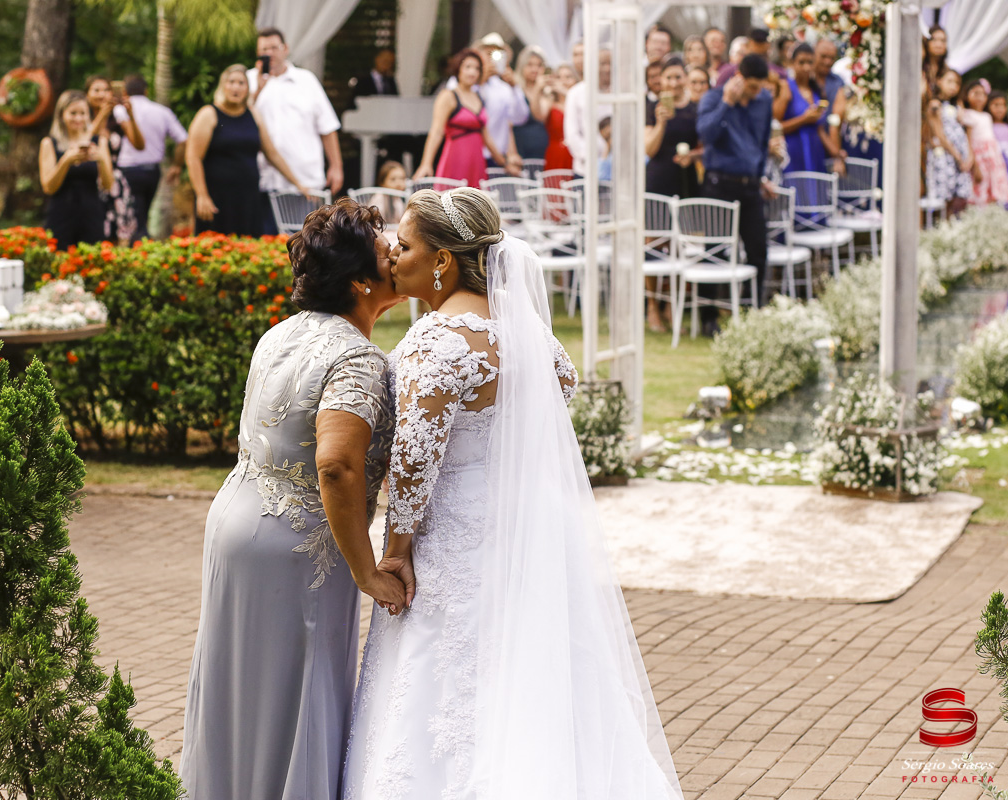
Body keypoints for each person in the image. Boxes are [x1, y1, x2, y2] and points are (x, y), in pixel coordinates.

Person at [340, 187, 684, 800]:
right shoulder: (533, 341)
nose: (393, 253)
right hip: (525, 533)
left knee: (443, 681)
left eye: (407, 244)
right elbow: (561, 388)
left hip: (450, 542)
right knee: (532, 672)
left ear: (442, 260)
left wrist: (395, 551)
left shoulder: (435, 341)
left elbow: (416, 462)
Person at [178, 198, 405, 800]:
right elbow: (336, 465)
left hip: (235, 520)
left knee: (237, 694)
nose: (396, 259)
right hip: (296, 546)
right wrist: (366, 571)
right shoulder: (357, 356)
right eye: (387, 253)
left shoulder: (279, 333)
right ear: (361, 281)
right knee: (296, 694)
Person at [697, 54, 774, 328]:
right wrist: (727, 103)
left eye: (759, 87)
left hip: (751, 185)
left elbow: (762, 141)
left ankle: (752, 311)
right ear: (738, 78)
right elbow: (706, 135)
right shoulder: (713, 98)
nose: (756, 92)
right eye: (752, 86)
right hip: (719, 184)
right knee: (714, 250)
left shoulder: (764, 101)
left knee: (758, 250)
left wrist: (760, 175)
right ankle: (708, 317)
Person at [187, 65, 308, 237]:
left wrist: (298, 184)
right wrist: (202, 195)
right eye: (231, 82)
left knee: (248, 247)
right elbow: (193, 158)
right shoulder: (209, 114)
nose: (236, 87)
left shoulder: (254, 115)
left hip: (248, 199)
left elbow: (271, 154)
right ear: (223, 86)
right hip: (217, 199)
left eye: (241, 83)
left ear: (247, 89)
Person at [249, 28, 346, 233]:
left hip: (305, 181)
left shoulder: (306, 80)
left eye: (274, 47)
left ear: (285, 49)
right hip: (264, 180)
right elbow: (238, 120)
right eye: (264, 49)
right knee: (266, 244)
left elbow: (327, 127)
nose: (269, 53)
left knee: (308, 240)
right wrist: (257, 89)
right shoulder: (248, 81)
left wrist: (336, 166)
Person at [416, 49, 514, 186]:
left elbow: (487, 138)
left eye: (477, 68)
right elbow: (436, 132)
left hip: (477, 161)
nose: (472, 72)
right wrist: (426, 163)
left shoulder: (479, 97)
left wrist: (505, 163)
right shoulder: (448, 96)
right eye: (468, 67)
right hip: (455, 158)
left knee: (476, 202)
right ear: (458, 69)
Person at [115, 74, 187, 242]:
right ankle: (141, 245)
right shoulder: (162, 111)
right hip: (151, 171)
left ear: (125, 92)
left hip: (127, 170)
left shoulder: (119, 110)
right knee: (142, 214)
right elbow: (183, 139)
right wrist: (177, 166)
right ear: (146, 91)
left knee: (133, 217)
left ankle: (138, 249)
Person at [39, 90, 113, 251]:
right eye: (73, 113)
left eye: (83, 113)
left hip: (92, 213)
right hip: (61, 214)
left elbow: (108, 185)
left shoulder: (99, 142)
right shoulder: (49, 143)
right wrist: (66, 161)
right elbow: (48, 187)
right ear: (61, 115)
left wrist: (101, 159)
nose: (78, 118)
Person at [85, 75, 141, 244]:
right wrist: (103, 112)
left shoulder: (117, 119)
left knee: (118, 236)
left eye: (106, 90)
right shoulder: (80, 116)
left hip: (115, 184)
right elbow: (86, 138)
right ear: (87, 94)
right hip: (90, 182)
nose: (102, 94)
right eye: (96, 90)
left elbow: (139, 144)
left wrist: (130, 113)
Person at [466, 34, 529, 173]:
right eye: (487, 52)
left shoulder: (504, 87)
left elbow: (519, 118)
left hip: (498, 159)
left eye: (496, 54)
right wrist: (480, 80)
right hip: (472, 155)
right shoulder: (463, 82)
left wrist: (514, 87)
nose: (491, 58)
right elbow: (469, 113)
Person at [646, 56, 700, 199]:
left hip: (686, 179)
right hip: (658, 180)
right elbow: (649, 150)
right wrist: (661, 123)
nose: (673, 83)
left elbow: (706, 146)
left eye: (678, 77)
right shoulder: (652, 108)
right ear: (661, 79)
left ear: (686, 79)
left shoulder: (695, 109)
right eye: (668, 77)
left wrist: (692, 156)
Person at [777, 43, 832, 175]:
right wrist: (804, 119)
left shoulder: (816, 90)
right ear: (792, 63)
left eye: (810, 62)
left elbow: (820, 130)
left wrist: (835, 152)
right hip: (794, 151)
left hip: (815, 151)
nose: (806, 67)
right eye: (801, 62)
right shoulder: (786, 87)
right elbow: (776, 127)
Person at [926, 68, 974, 217]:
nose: (953, 86)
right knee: (944, 198)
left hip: (962, 157)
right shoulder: (935, 104)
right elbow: (940, 134)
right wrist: (958, 157)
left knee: (960, 198)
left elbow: (966, 132)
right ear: (939, 81)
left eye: (957, 83)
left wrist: (969, 158)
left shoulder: (958, 105)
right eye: (949, 81)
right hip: (946, 156)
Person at [958, 79, 1008, 207]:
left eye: (983, 94)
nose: (980, 98)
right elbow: (969, 140)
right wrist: (975, 165)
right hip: (980, 158)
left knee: (994, 187)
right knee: (981, 187)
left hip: (993, 158)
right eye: (976, 93)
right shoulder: (968, 114)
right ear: (967, 95)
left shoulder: (987, 116)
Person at [565, 48, 612, 178]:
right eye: (603, 64)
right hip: (585, 170)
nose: (607, 69)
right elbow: (572, 133)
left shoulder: (621, 93)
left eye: (611, 63)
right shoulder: (576, 93)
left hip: (615, 170)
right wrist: (592, 158)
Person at [512, 46, 551, 161]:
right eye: (530, 65)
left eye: (539, 65)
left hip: (541, 150)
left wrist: (537, 90)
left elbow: (539, 116)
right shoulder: (515, 89)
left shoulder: (547, 92)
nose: (535, 69)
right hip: (519, 148)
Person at [543, 63, 577, 172]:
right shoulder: (549, 101)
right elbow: (538, 115)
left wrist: (568, 94)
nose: (563, 81)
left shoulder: (579, 101)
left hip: (576, 153)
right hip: (556, 154)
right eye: (559, 77)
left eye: (568, 77)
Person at [370, 160, 407, 225]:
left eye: (402, 178)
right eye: (393, 179)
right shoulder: (379, 198)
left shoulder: (397, 199)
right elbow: (375, 222)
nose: (398, 183)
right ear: (382, 182)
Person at [923, 25, 948, 95]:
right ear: (927, 42)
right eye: (934, 39)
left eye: (943, 41)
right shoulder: (919, 66)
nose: (939, 45)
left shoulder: (946, 70)